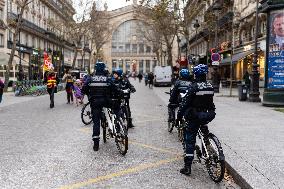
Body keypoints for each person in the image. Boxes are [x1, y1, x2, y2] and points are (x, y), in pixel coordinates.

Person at [176, 64, 216, 176]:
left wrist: (179, 116)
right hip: (207, 115)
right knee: (204, 131)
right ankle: (207, 146)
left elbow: (184, 103)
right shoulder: (210, 85)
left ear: (196, 74)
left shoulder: (193, 86)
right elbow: (210, 102)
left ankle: (187, 167)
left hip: (195, 116)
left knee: (190, 140)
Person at [82, 62, 122, 151]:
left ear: (95, 69)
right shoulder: (107, 78)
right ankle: (118, 126)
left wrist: (88, 94)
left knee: (96, 122)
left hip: (95, 102)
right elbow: (114, 88)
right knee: (116, 108)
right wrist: (119, 93)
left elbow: (84, 88)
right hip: (106, 101)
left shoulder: (91, 78)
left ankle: (96, 144)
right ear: (104, 69)